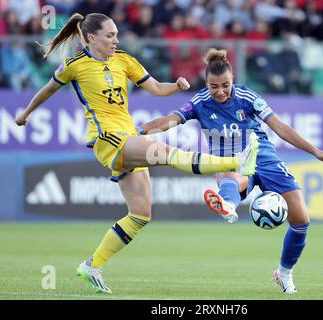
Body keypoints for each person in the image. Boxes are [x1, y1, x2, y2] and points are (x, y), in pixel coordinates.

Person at [14, 14, 260, 294]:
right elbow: (47, 91)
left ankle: (92, 265)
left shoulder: (124, 60)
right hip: (107, 139)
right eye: (110, 35)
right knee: (165, 152)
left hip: (128, 136)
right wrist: (26, 113)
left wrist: (175, 86)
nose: (116, 39)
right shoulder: (74, 66)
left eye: (116, 34)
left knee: (141, 214)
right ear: (92, 38)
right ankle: (236, 161)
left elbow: (155, 87)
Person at [139, 48, 323, 294]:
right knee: (232, 178)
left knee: (301, 221)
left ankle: (284, 273)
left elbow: (281, 128)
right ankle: (228, 205)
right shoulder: (199, 103)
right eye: (214, 86)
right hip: (228, 161)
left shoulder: (247, 97)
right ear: (206, 83)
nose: (220, 91)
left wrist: (315, 151)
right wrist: (140, 131)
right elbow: (167, 122)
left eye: (225, 85)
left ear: (232, 79)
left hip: (261, 154)